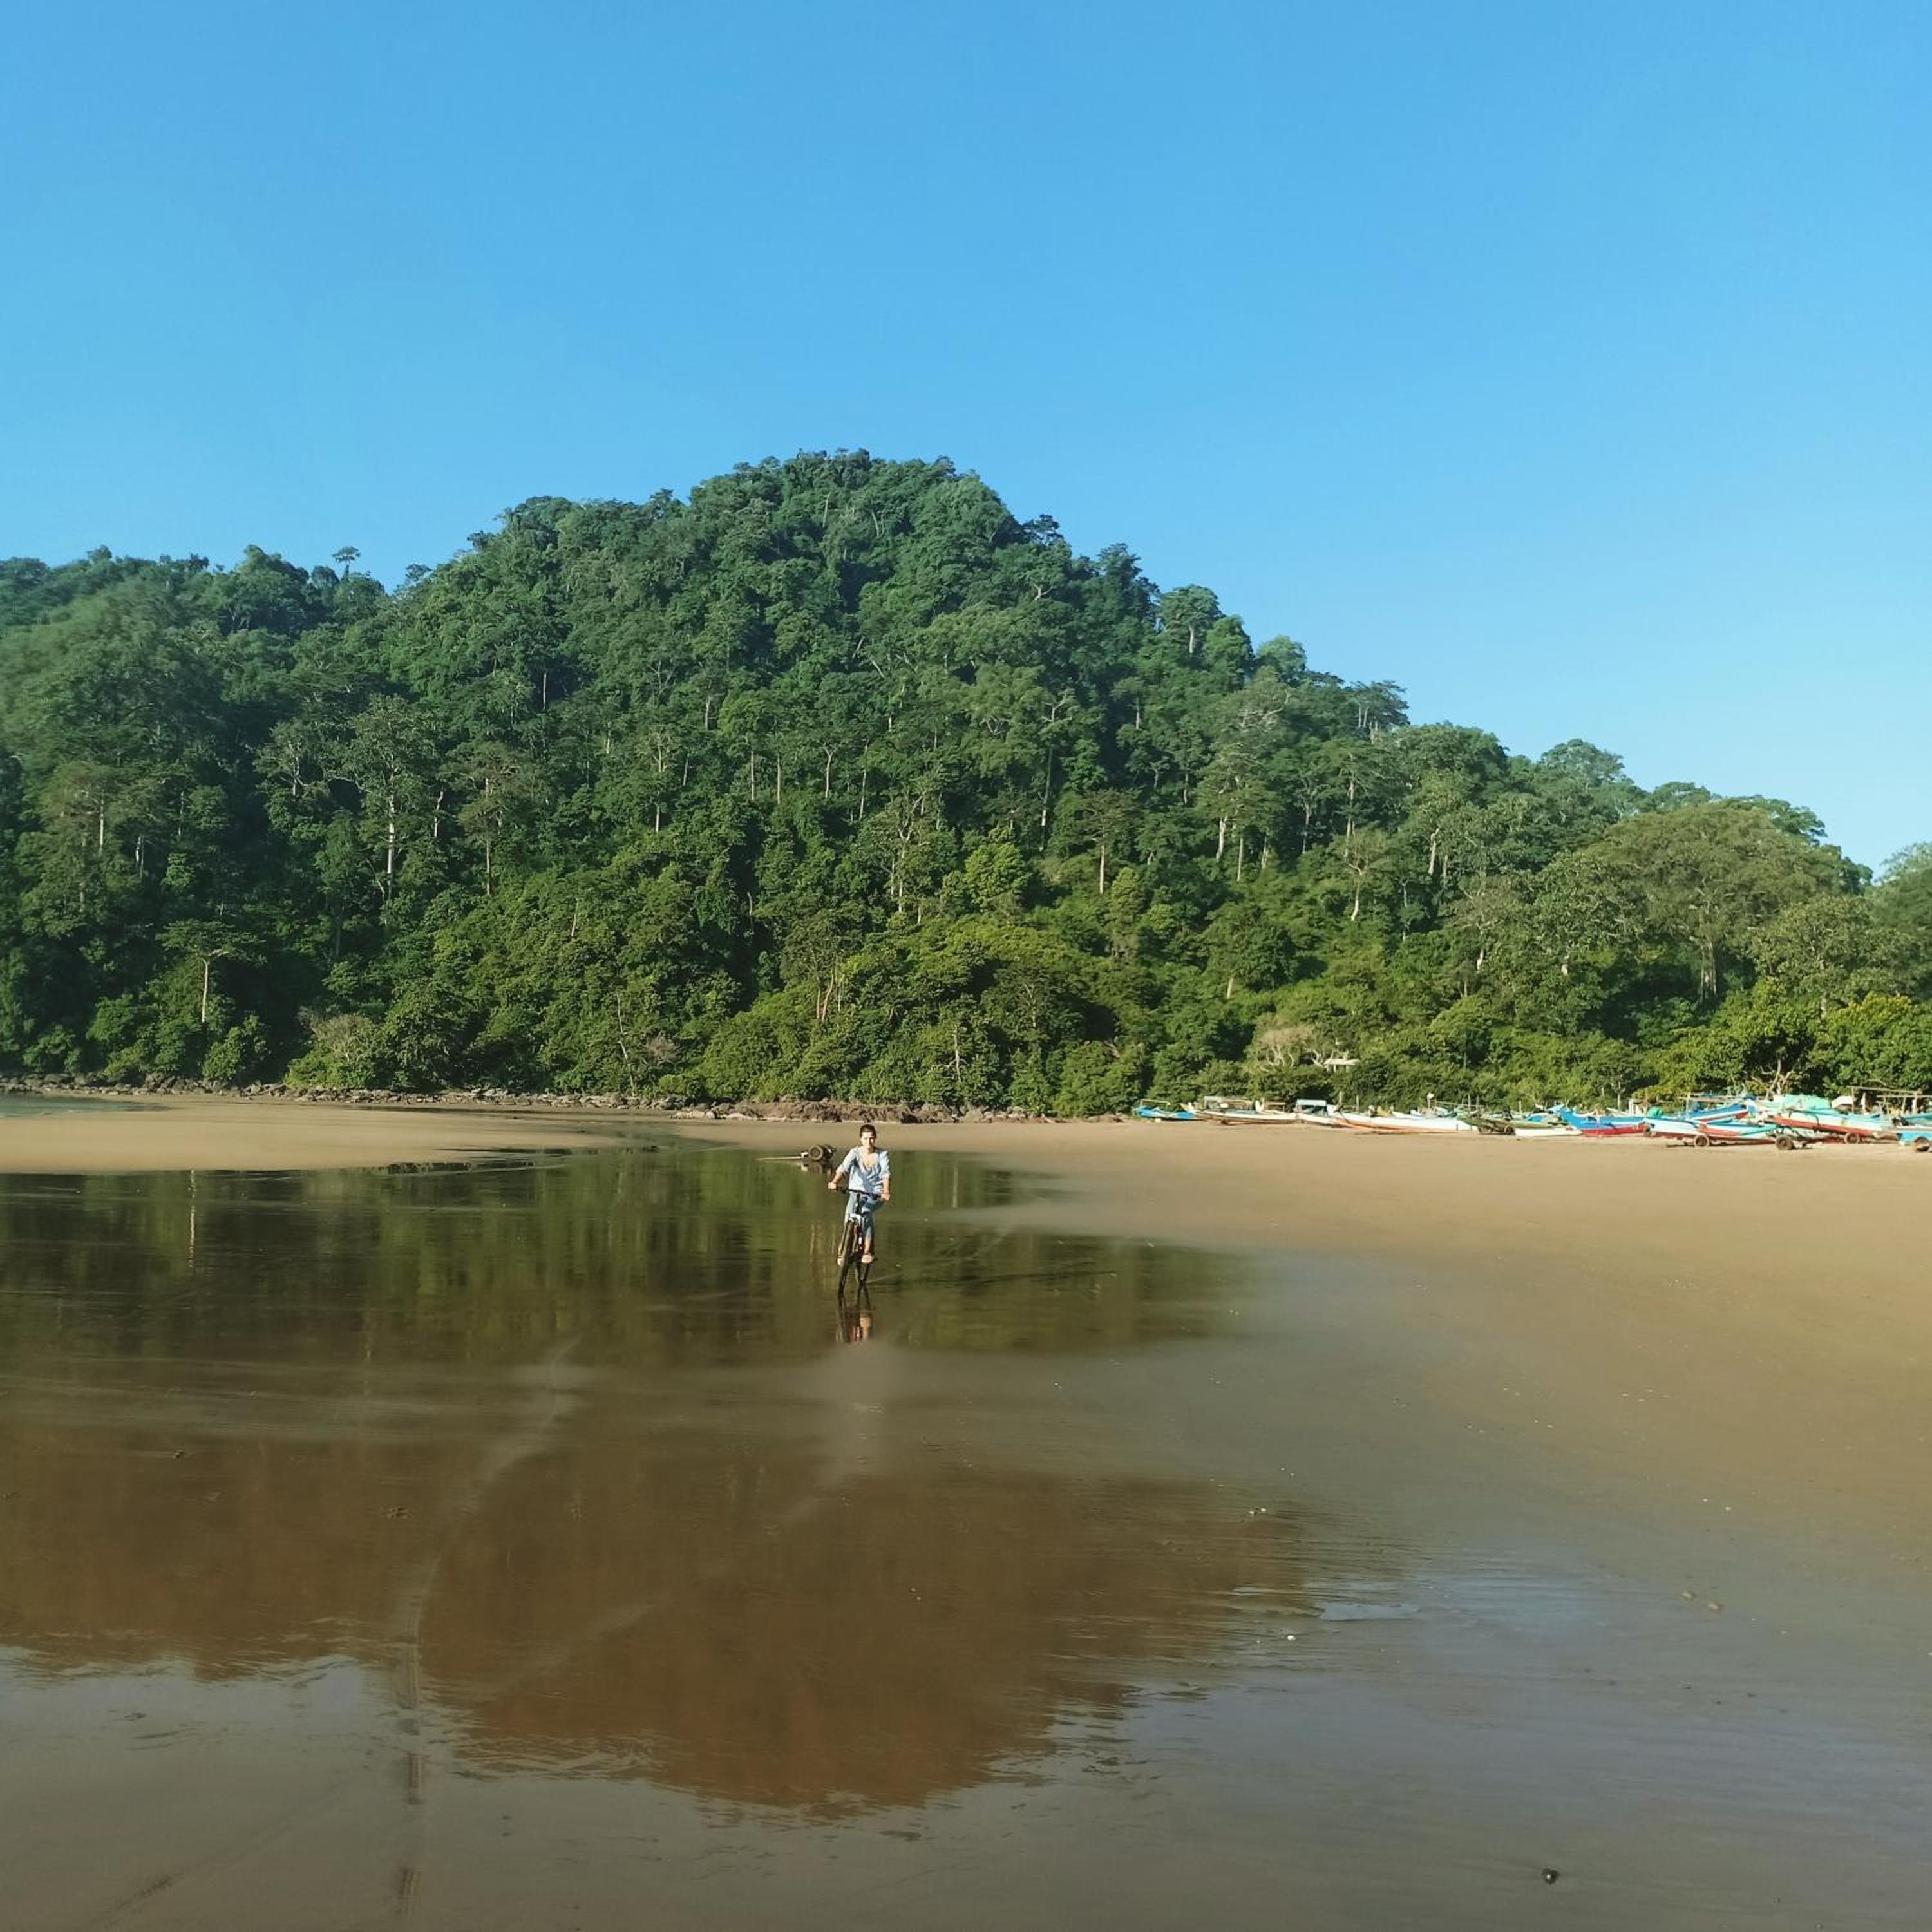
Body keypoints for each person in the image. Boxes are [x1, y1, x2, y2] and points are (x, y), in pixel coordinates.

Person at [828, 1122, 891, 1265]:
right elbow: (844, 1168)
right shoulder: (855, 1153)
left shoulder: (882, 1154)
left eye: (872, 1138)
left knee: (865, 1212)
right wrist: (835, 1182)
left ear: (875, 1138)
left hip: (875, 1194)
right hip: (855, 1193)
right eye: (865, 1138)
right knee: (848, 1218)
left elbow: (886, 1174)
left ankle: (868, 1251)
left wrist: (886, 1191)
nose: (869, 1142)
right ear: (861, 1139)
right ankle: (843, 1251)